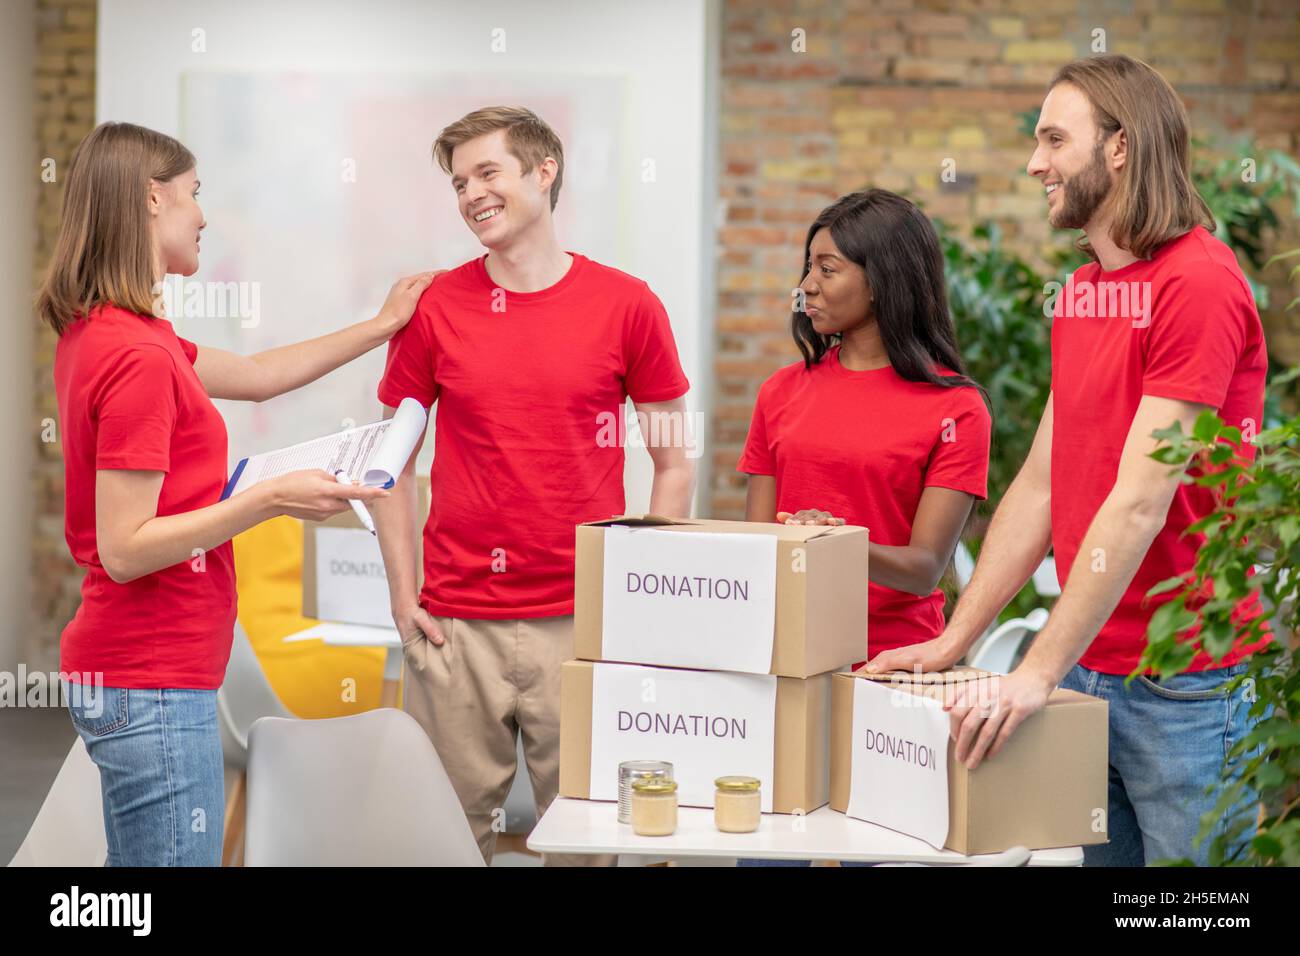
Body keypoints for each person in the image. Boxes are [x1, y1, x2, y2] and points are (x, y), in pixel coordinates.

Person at [868, 54, 1271, 866]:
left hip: (1183, 681)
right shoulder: (1086, 292)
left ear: (1119, 147)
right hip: (1091, 662)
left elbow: (1139, 502)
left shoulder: (1197, 283)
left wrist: (1035, 671)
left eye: (1055, 139)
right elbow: (1043, 483)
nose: (1034, 162)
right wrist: (959, 639)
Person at [40, 120, 432, 866]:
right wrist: (270, 499)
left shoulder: (114, 333)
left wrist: (381, 326)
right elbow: (124, 550)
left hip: (139, 671)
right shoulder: (137, 357)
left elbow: (256, 374)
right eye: (194, 194)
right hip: (150, 674)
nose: (204, 215)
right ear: (151, 200)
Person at [370, 106, 695, 866]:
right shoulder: (436, 309)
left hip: (584, 625)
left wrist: (642, 596)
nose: (472, 195)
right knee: (443, 841)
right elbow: (390, 464)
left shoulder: (628, 304)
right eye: (459, 183)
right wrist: (401, 590)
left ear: (544, 173)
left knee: (586, 842)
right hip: (455, 626)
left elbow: (675, 459)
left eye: (489, 173)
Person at [735, 188, 991, 867]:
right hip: (788, 667)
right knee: (771, 856)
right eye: (807, 268)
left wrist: (840, 546)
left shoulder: (956, 408)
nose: (806, 287)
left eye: (827, 269)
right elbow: (758, 547)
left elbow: (923, 567)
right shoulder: (781, 393)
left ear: (882, 280)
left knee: (885, 853)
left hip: (896, 673)